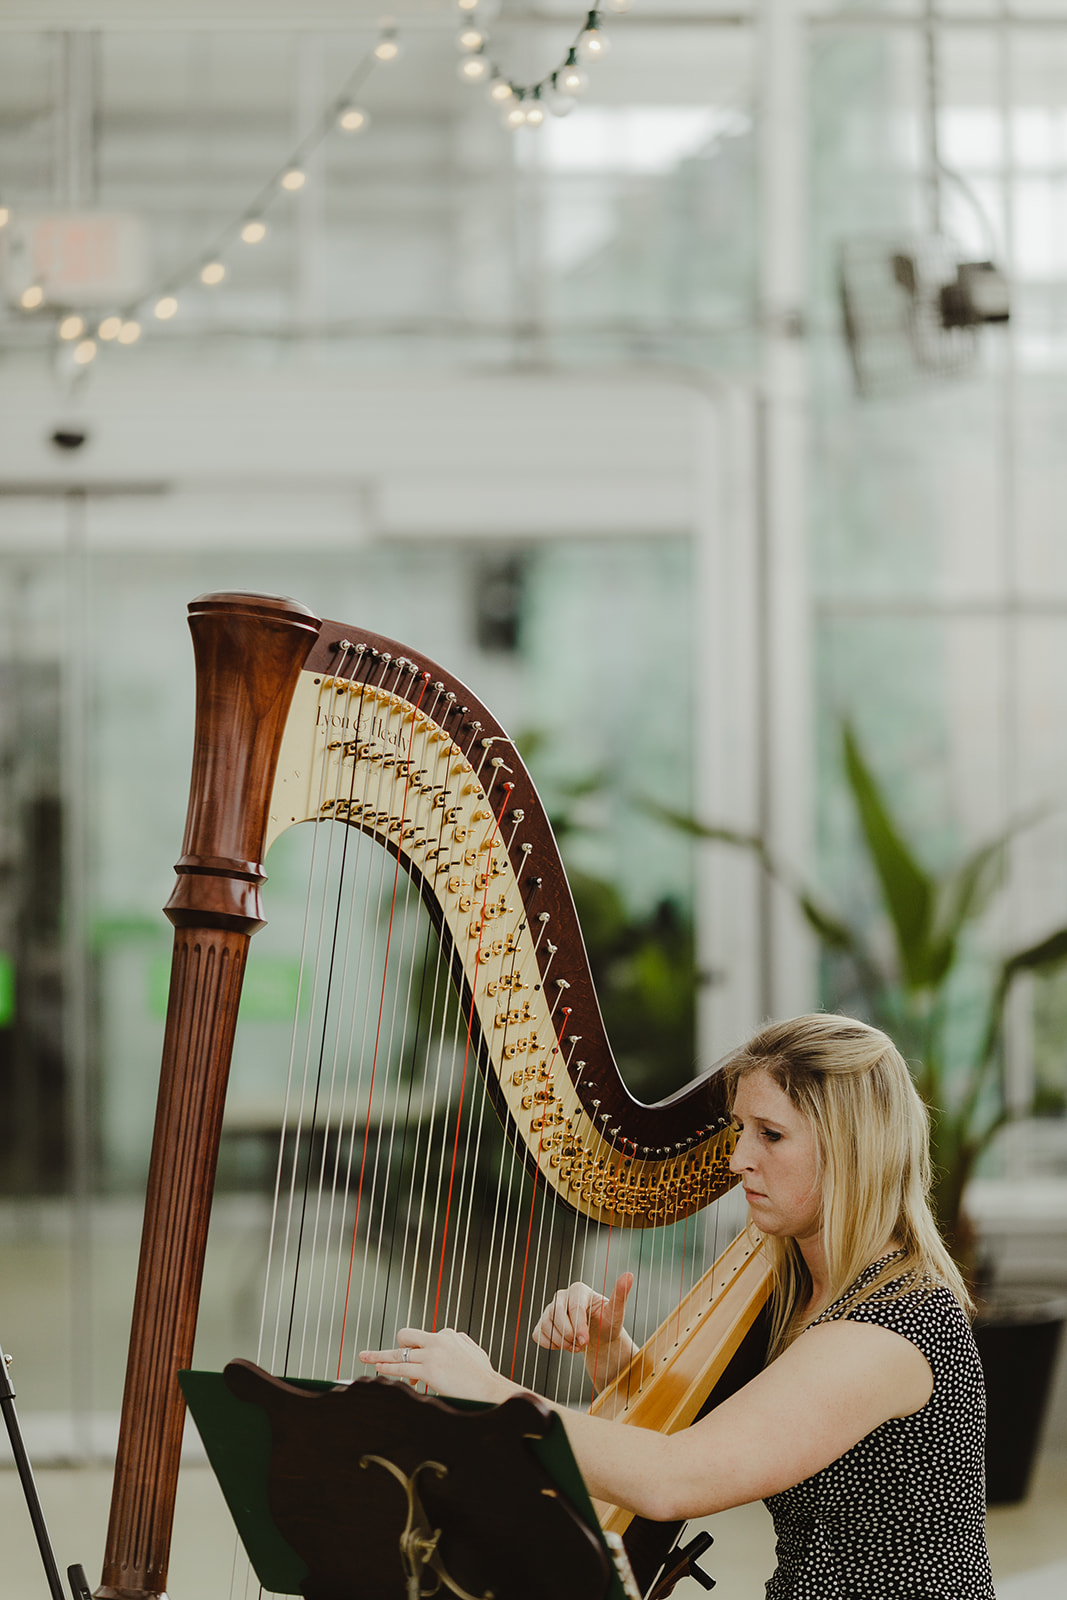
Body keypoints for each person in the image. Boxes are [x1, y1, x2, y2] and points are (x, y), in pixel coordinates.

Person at [362, 1013, 995, 1598]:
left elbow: (673, 1478)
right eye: (741, 1130)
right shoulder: (805, 1293)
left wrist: (492, 1391)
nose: (740, 1158)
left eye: (771, 1135)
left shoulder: (891, 1327)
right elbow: (724, 1435)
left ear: (854, 1148)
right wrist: (617, 1361)